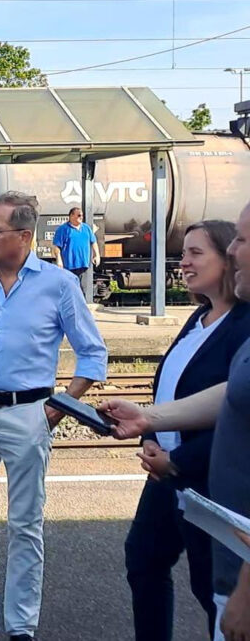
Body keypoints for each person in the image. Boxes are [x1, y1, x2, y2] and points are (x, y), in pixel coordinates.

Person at [0, 192, 108, 641]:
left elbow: (92, 355)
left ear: (24, 236)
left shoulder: (59, 284)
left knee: (25, 524)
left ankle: (22, 626)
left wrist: (56, 408)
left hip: (30, 413)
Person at [99, 199, 250, 641]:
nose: (183, 261)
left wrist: (178, 459)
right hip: (166, 472)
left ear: (226, 258)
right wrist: (148, 424)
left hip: (201, 480)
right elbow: (215, 398)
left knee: (209, 586)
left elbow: (234, 420)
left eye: (196, 253)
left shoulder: (243, 328)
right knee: (144, 559)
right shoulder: (197, 318)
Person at [51, 207, 100, 295]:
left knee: (83, 291)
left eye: (82, 215)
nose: (81, 217)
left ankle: (82, 307)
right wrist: (59, 260)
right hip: (69, 265)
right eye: (79, 215)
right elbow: (56, 246)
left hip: (84, 265)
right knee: (70, 290)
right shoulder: (63, 229)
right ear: (71, 216)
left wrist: (97, 255)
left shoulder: (86, 228)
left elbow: (94, 242)